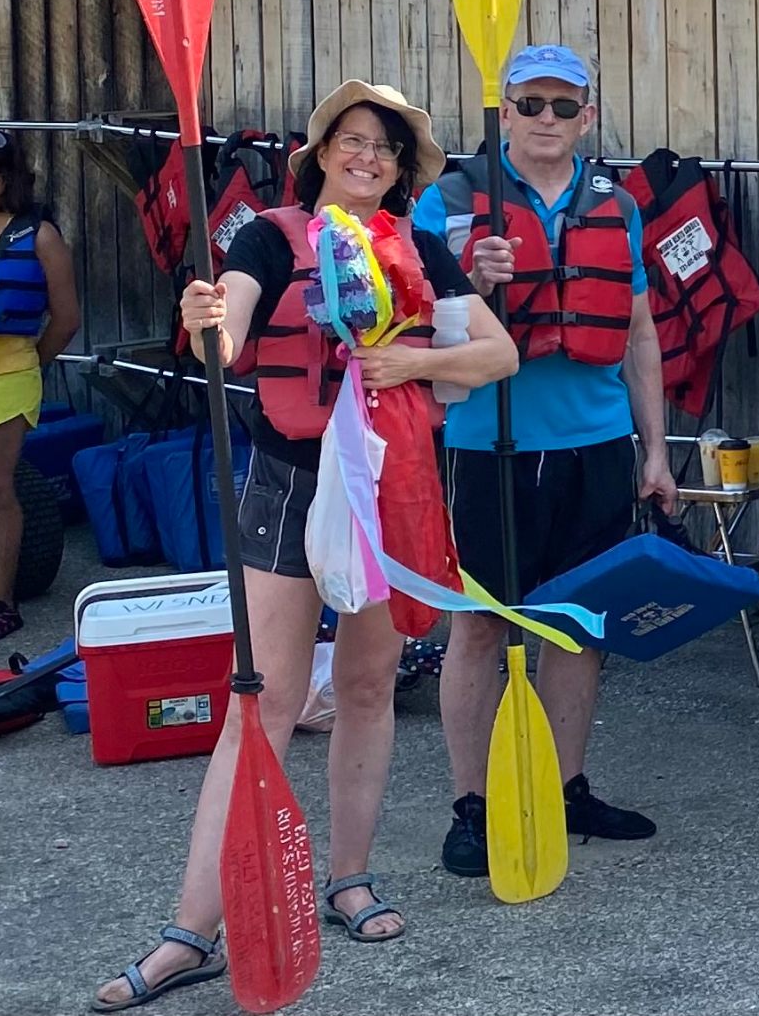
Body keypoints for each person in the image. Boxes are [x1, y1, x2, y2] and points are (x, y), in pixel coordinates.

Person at [93, 82, 516, 1012]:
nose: (367, 157)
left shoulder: (422, 250)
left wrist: (416, 362)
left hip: (386, 491)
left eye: (386, 149)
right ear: (322, 153)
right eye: (352, 141)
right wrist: (212, 320)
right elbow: (233, 323)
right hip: (291, 487)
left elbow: (496, 355)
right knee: (264, 701)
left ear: (402, 172)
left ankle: (350, 878)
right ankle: (189, 931)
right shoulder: (266, 237)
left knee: (366, 689)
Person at [415, 44, 678, 876]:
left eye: (565, 107)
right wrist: (476, 286)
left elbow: (637, 333)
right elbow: (418, 338)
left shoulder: (617, 204)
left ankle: (565, 788)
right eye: (530, 105)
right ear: (504, 113)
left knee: (578, 627)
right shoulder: (446, 204)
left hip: (594, 445)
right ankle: (472, 807)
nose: (547, 122)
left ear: (587, 116)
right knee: (481, 626)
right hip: (485, 447)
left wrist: (657, 450)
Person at [0, 132, 78, 642]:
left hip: (10, 375)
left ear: (8, 178)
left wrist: (31, 365)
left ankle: (0, 602)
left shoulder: (38, 235)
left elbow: (66, 318)